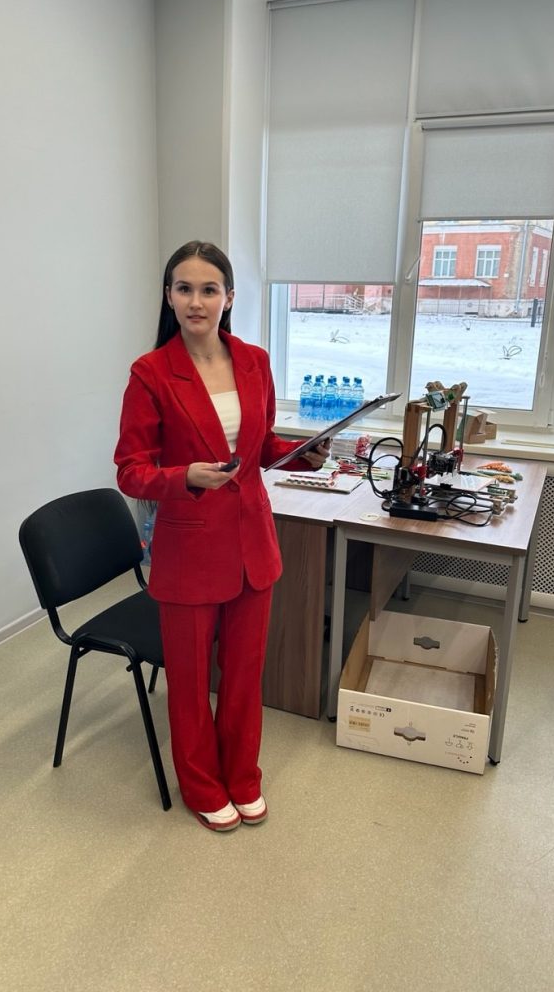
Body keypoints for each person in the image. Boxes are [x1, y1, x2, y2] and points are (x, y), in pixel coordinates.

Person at [114, 241, 330, 832]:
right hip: (188, 549)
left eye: (209, 290)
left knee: (243, 675)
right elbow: (131, 470)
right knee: (189, 683)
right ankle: (202, 785)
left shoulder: (255, 362)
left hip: (252, 543)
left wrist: (303, 453)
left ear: (229, 298)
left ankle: (243, 776)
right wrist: (184, 476)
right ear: (168, 297)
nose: (196, 301)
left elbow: (260, 448)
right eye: (184, 288)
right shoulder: (150, 373)